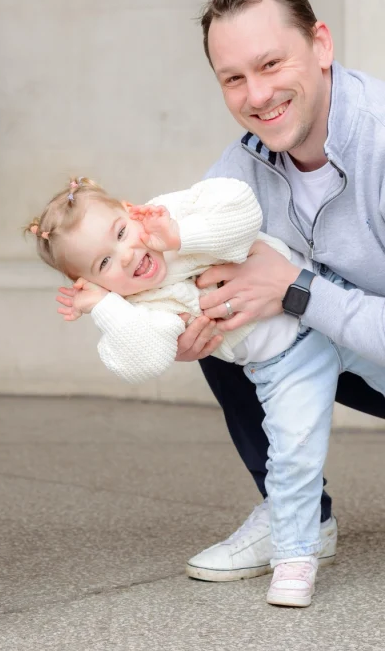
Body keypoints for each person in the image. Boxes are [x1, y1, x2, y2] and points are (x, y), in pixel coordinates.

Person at [34, 176, 385, 606]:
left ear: (133, 209)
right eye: (104, 265)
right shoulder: (144, 306)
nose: (126, 256)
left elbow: (241, 205)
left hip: (330, 298)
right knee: (293, 455)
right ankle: (295, 557)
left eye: (122, 233)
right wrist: (106, 308)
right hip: (287, 362)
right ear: (95, 284)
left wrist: (182, 233)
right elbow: (142, 359)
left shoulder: (168, 217)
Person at [177, 0, 385, 586]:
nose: (257, 95)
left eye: (271, 64)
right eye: (234, 79)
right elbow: (172, 254)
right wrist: (174, 322)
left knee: (268, 291)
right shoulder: (243, 164)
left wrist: (296, 289)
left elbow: (296, 291)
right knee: (226, 301)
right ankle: (298, 518)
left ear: (321, 45)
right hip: (361, 350)